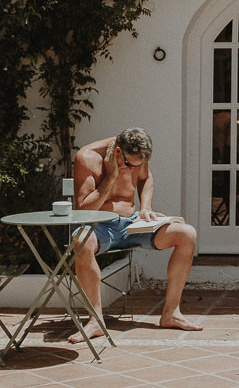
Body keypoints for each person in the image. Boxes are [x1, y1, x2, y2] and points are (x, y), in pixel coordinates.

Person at [72, 127, 202, 332]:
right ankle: (95, 320)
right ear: (117, 152)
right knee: (80, 242)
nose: (134, 170)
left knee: (187, 234)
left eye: (138, 165)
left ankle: (171, 314)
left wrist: (145, 208)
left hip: (132, 224)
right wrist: (111, 176)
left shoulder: (137, 155)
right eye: (130, 165)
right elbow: (83, 210)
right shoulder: (87, 157)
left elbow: (146, 178)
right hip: (99, 225)